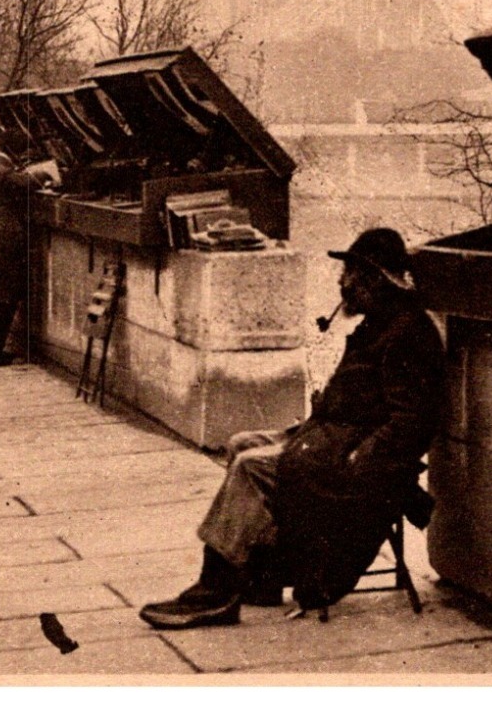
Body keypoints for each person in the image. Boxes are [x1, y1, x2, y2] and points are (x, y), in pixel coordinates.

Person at [135, 228, 444, 629]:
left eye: (349, 272)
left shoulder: (406, 333)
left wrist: (358, 458)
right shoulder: (380, 325)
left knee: (251, 466)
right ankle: (259, 577)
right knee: (241, 443)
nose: (341, 281)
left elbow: (412, 421)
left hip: (351, 460)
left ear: (372, 279)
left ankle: (215, 591)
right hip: (330, 439)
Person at [0, 129, 57, 368]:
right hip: (3, 237)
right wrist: (46, 172)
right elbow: (29, 182)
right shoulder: (2, 170)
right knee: (3, 295)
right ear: (18, 151)